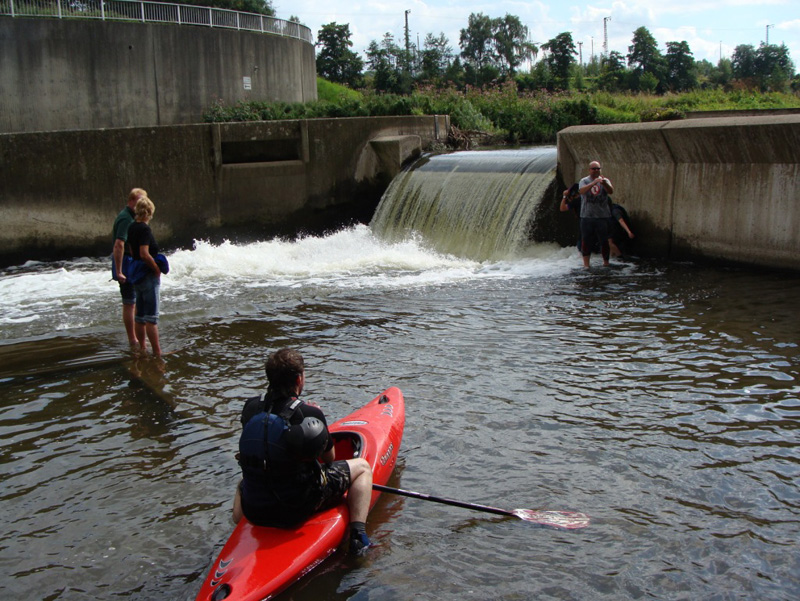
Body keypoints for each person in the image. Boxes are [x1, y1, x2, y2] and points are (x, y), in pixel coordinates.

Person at [232, 348, 374, 556]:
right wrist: (318, 428)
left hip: (254, 509)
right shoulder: (309, 412)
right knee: (362, 468)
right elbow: (330, 458)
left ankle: (240, 528)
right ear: (299, 379)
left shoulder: (250, 407)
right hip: (296, 509)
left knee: (243, 481)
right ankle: (358, 536)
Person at [127, 196, 163, 357]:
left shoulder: (132, 227)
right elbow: (144, 253)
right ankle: (157, 353)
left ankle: (142, 348)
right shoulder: (144, 229)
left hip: (136, 273)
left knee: (140, 316)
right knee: (151, 318)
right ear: (149, 212)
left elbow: (132, 251)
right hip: (147, 274)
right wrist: (156, 268)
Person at [111, 187, 147, 348]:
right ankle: (133, 340)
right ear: (131, 201)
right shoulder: (126, 218)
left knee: (135, 301)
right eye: (138, 201)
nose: (141, 204)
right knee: (129, 302)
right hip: (125, 262)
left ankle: (138, 338)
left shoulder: (133, 217)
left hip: (131, 261)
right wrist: (119, 271)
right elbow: (119, 244)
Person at [578, 161, 614, 268]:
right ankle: (586, 264)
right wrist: (593, 183)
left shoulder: (605, 180)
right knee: (586, 240)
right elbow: (581, 191)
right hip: (587, 216)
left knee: (604, 241)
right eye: (594, 169)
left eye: (598, 168)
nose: (596, 170)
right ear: (589, 170)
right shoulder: (584, 181)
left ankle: (606, 262)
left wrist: (604, 183)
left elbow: (611, 191)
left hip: (602, 216)